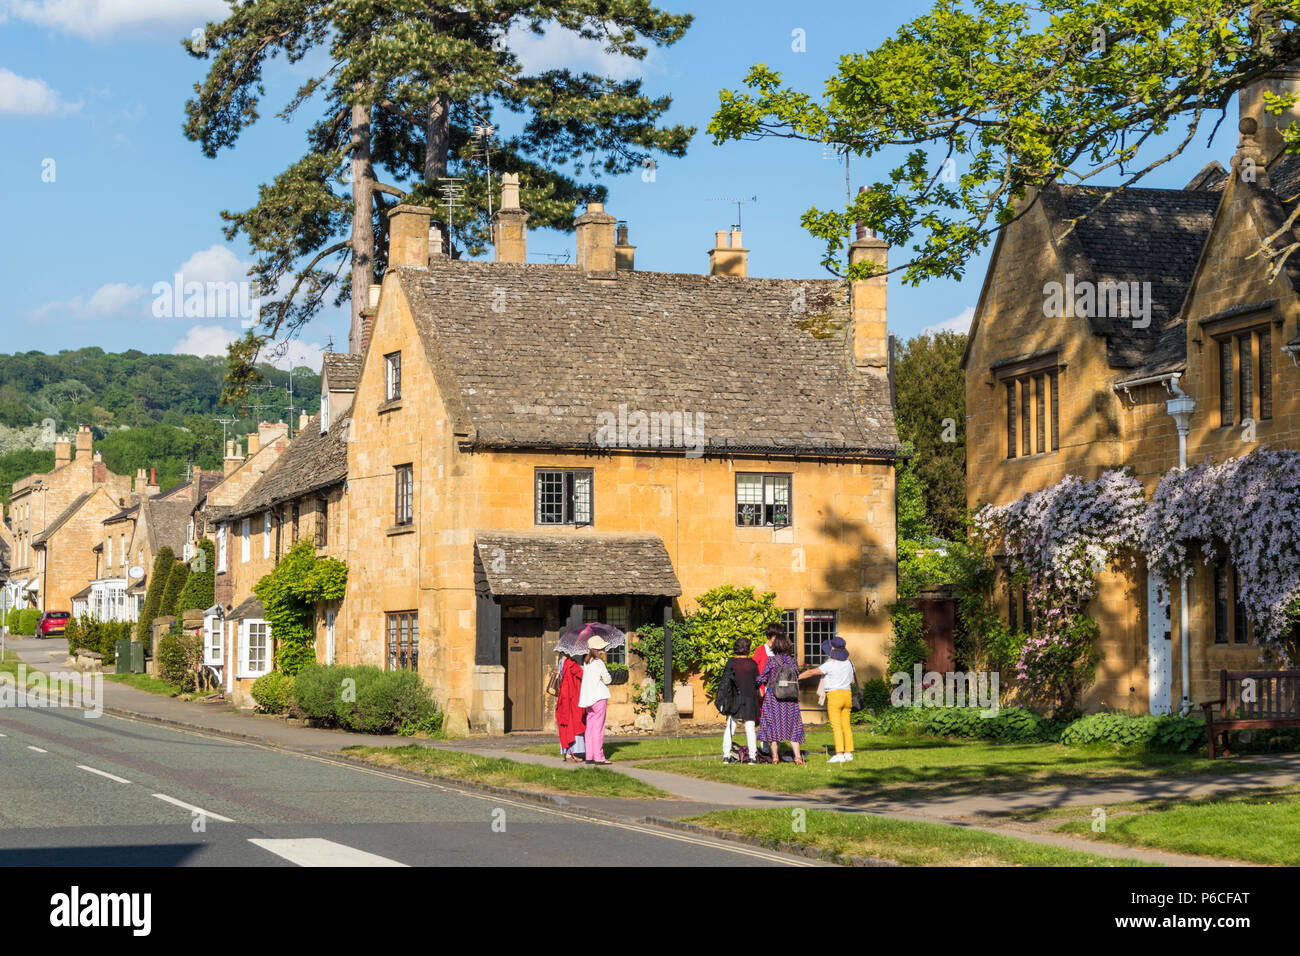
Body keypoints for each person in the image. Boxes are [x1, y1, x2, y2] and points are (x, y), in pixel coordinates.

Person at [800, 637, 856, 763]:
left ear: (832, 649)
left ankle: (839, 753)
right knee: (846, 725)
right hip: (847, 695)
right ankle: (848, 753)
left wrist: (797, 677)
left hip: (834, 695)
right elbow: (852, 681)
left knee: (836, 726)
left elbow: (812, 672)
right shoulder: (849, 663)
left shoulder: (830, 664)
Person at [757, 631, 805, 764]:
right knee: (794, 727)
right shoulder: (793, 661)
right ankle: (797, 757)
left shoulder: (772, 661)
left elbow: (763, 677)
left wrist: (756, 681)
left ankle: (775, 757)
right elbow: (796, 675)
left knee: (772, 726)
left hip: (774, 698)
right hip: (790, 699)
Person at [717, 637, 760, 763]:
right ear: (748, 649)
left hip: (734, 697)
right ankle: (753, 757)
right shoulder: (752, 664)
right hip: (750, 697)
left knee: (731, 726)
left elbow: (725, 681)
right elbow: (757, 682)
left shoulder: (731, 663)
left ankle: (726, 755)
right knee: (750, 727)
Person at [579, 636, 614, 764]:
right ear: (598, 649)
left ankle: (589, 755)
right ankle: (599, 756)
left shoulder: (586, 662)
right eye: (602, 648)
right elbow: (608, 679)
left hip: (589, 699)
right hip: (599, 697)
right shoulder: (599, 663)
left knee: (590, 727)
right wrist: (602, 678)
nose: (604, 650)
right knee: (598, 728)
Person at [556, 652, 586, 762]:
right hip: (571, 696)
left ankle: (567, 752)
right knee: (574, 723)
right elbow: (581, 674)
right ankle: (573, 752)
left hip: (564, 697)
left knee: (566, 724)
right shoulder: (570, 663)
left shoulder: (561, 662)